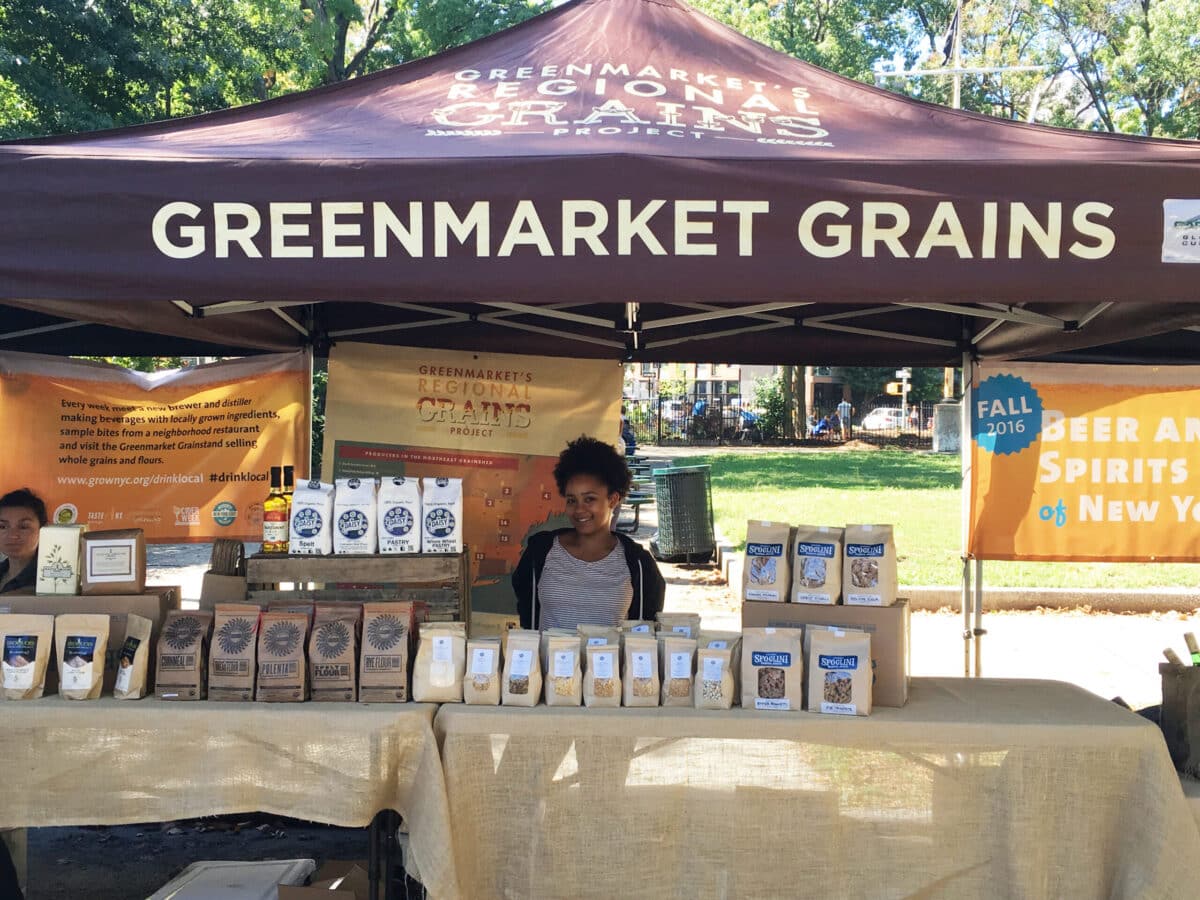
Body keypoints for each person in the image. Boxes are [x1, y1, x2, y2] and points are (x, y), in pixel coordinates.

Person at [515, 436, 665, 630]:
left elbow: (644, 633)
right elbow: (528, 615)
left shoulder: (638, 564)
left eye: (589, 499)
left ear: (613, 499)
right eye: (572, 500)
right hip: (547, 652)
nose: (579, 509)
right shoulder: (540, 553)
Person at [0, 488, 45, 594]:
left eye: (23, 527)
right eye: (2, 527)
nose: (13, 535)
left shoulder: (50, 579)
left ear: (42, 530)